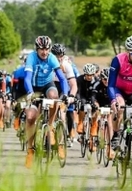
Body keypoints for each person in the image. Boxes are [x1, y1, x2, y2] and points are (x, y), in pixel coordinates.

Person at [23, 36, 70, 167]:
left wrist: (66, 94)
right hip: (34, 87)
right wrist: (30, 93)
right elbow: (27, 78)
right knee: (31, 117)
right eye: (41, 49)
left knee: (54, 96)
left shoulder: (52, 58)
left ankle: (50, 126)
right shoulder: (31, 58)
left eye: (47, 49)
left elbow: (61, 78)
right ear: (37, 49)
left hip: (47, 85)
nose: (44, 52)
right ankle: (30, 150)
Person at [52, 43, 78, 146]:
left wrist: (71, 96)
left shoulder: (67, 65)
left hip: (63, 88)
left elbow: (73, 85)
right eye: (56, 56)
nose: (58, 58)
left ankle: (61, 141)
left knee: (62, 115)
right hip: (50, 87)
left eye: (60, 56)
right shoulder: (47, 63)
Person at [75, 63, 100, 149]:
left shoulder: (97, 80)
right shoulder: (79, 79)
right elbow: (77, 91)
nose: (89, 77)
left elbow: (97, 92)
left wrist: (95, 102)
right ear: (84, 74)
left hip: (93, 97)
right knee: (82, 105)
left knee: (95, 108)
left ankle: (94, 125)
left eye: (91, 75)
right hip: (82, 96)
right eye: (87, 75)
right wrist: (78, 99)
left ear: (93, 74)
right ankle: (81, 122)